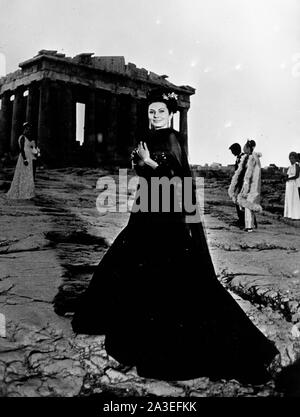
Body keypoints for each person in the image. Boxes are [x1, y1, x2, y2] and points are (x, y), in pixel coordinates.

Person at [72, 88, 279, 384]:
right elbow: (151, 175)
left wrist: (149, 162)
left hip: (167, 216)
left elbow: (176, 178)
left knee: (172, 275)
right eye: (151, 112)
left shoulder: (171, 137)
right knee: (131, 265)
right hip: (147, 210)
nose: (155, 116)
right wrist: (139, 164)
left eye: (160, 112)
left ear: (170, 114)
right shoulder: (151, 139)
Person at [6, 122, 39, 200]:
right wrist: (24, 159)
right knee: (23, 174)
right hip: (25, 158)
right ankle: (22, 193)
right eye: (27, 129)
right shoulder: (22, 137)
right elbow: (21, 149)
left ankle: (28, 193)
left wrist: (35, 152)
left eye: (29, 129)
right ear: (24, 129)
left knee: (28, 175)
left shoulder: (28, 138)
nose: (28, 131)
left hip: (29, 158)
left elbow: (31, 149)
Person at [228, 142, 245, 228]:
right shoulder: (239, 158)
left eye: (232, 151)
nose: (232, 153)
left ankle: (244, 221)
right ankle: (241, 220)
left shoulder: (243, 158)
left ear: (236, 150)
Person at [284, 152, 300, 220]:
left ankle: (294, 215)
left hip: (293, 183)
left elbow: (296, 175)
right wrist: (285, 178)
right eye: (290, 158)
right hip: (288, 184)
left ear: (295, 159)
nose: (291, 160)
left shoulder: (297, 166)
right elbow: (287, 175)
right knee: (288, 198)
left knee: (293, 198)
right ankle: (288, 214)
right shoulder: (290, 167)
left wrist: (289, 178)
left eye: (292, 158)